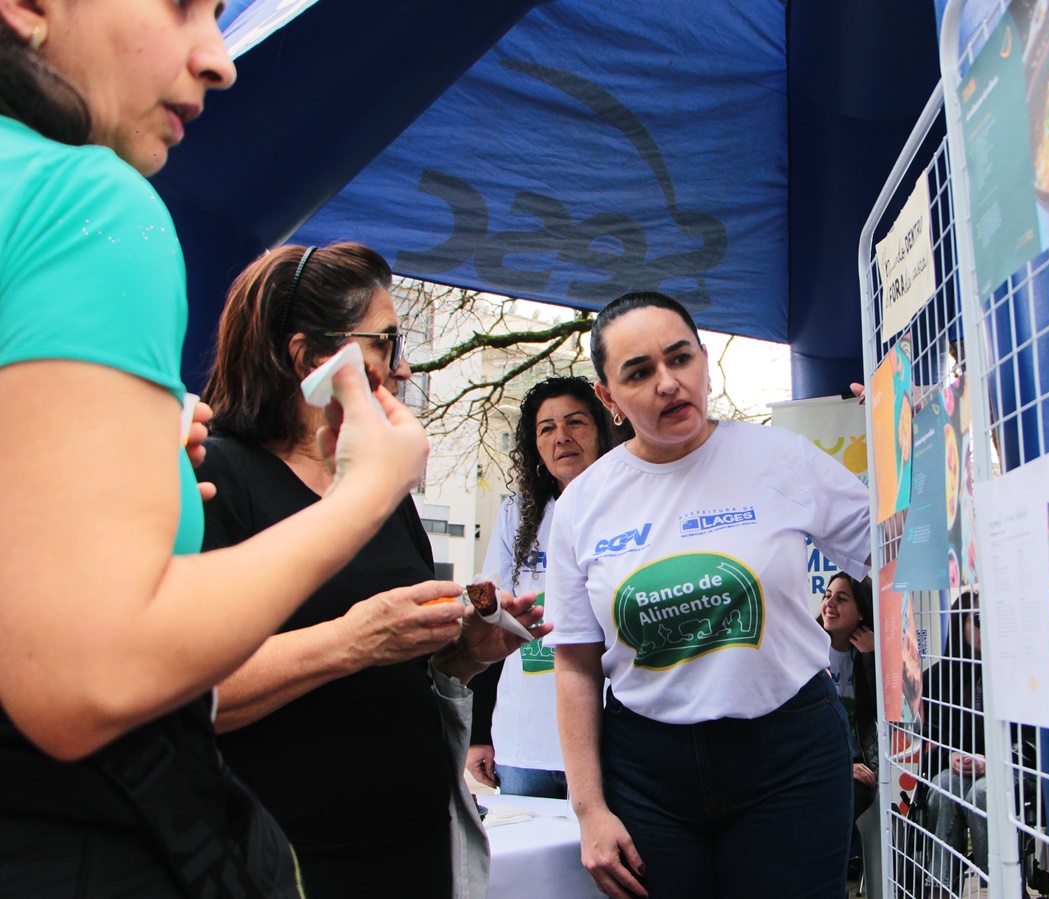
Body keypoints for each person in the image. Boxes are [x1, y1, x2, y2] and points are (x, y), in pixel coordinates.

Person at [0, 5, 430, 897]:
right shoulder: (84, 201)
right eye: (182, 5)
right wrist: (364, 493)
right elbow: (84, 678)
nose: (219, 58)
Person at [197, 242, 547, 897]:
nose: (405, 364)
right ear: (307, 359)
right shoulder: (217, 477)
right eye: (385, 341)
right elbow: (187, 692)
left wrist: (464, 656)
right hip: (286, 860)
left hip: (416, 845)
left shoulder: (381, 487)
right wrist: (352, 642)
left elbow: (400, 666)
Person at [546, 291, 871, 899]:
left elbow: (898, 541)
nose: (668, 383)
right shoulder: (582, 505)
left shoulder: (781, 457)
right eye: (639, 372)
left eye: (680, 358)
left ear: (704, 361)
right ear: (608, 398)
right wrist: (589, 809)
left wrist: (912, 431)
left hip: (791, 755)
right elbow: (575, 663)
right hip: (647, 773)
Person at [466, 376, 623, 797]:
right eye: (546, 428)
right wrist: (479, 732)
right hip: (523, 747)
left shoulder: (633, 506)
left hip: (613, 746)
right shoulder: (515, 514)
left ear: (604, 427)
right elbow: (488, 621)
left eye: (576, 423)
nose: (562, 438)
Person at [819, 572, 881, 897]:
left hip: (864, 762)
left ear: (861, 610)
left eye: (841, 598)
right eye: (828, 595)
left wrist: (871, 657)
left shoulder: (871, 652)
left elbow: (884, 710)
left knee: (858, 791)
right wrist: (842, 765)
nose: (829, 604)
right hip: (822, 762)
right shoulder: (808, 649)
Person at [921, 592, 988, 892]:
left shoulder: (1007, 674)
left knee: (982, 792)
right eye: (977, 620)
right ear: (958, 623)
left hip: (1004, 768)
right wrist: (949, 756)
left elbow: (1026, 740)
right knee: (946, 785)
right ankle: (940, 887)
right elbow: (927, 749)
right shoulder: (935, 679)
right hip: (957, 773)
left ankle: (999, 879)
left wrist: (990, 760)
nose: (985, 627)